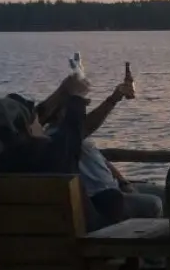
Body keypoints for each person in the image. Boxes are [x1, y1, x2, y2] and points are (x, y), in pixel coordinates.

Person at [0, 74, 110, 229]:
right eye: (36, 121)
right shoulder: (49, 157)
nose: (41, 125)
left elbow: (16, 126)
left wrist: (62, 92)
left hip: (1, 239)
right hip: (66, 237)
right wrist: (77, 98)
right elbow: (73, 131)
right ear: (28, 129)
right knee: (122, 201)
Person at [38, 79, 162, 222]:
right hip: (102, 199)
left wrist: (124, 182)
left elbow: (102, 161)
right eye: (80, 105)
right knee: (154, 204)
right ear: (62, 112)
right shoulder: (57, 138)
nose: (83, 110)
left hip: (116, 187)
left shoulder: (79, 136)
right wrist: (114, 98)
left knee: (168, 193)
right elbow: (90, 124)